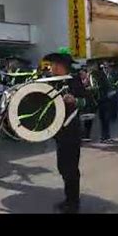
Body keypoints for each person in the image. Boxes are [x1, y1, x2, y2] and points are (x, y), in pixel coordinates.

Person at [43, 50, 86, 214]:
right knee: (62, 167)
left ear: (63, 66)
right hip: (58, 131)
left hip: (72, 131)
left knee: (70, 169)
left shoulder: (74, 81)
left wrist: (75, 100)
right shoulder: (51, 82)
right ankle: (69, 199)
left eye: (54, 64)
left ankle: (73, 203)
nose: (51, 67)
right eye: (50, 64)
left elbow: (89, 101)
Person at [83, 58, 112, 144]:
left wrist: (87, 89)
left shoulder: (94, 74)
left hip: (98, 98)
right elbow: (106, 85)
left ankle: (87, 135)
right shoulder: (99, 73)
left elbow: (95, 86)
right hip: (101, 98)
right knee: (102, 118)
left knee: (91, 117)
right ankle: (105, 136)